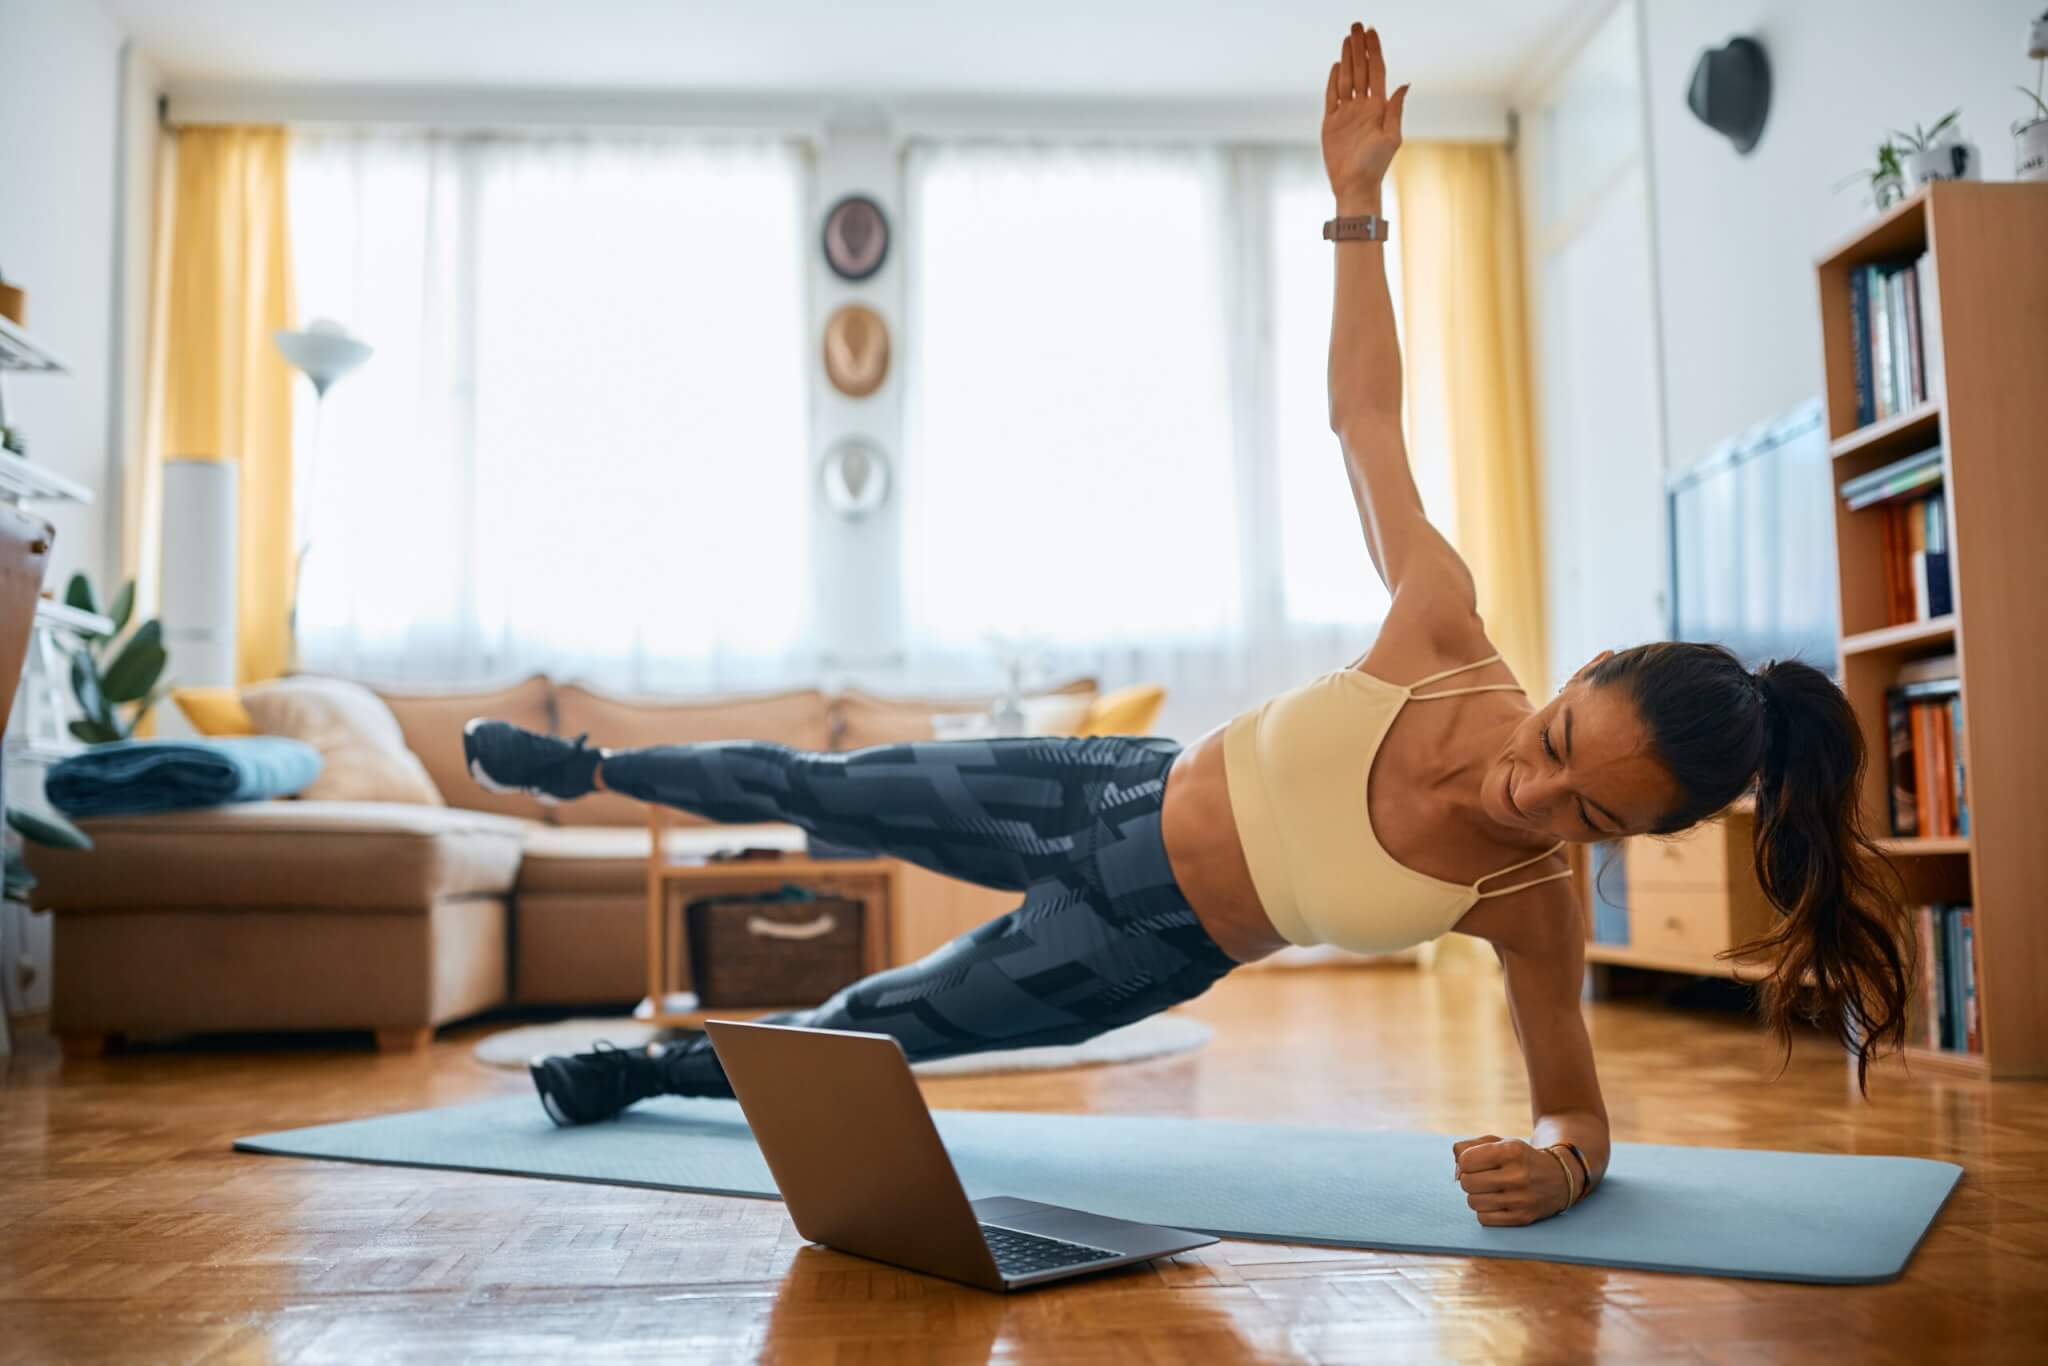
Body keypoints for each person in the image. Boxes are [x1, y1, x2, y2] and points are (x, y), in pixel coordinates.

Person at [463, 24, 1910, 1227]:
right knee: (816, 785)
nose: (1533, 791)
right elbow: (1365, 417)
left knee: (870, 1028)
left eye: (1588, 809)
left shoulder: (1526, 902)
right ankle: (583, 767)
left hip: (1135, 944)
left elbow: (1575, 1099)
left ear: (1632, 835)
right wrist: (1357, 204)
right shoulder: (1447, 628)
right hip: (1105, 782)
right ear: (1577, 673)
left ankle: (643, 1070)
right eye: (1557, 741)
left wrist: (1565, 1162)